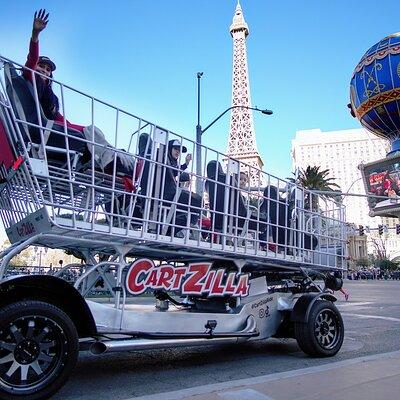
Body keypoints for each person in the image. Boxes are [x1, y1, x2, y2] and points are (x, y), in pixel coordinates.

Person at [23, 9, 85, 132]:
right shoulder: (30, 77)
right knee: (90, 133)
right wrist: (35, 34)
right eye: (41, 66)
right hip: (42, 128)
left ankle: (113, 151)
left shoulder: (51, 97)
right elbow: (33, 58)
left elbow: (61, 120)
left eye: (48, 69)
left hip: (53, 127)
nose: (44, 71)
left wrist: (79, 131)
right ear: (34, 66)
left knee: (89, 131)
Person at [163, 140, 202, 236]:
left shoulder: (170, 161)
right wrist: (185, 164)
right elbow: (173, 171)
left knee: (195, 202)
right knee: (198, 200)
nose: (178, 152)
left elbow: (174, 171)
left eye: (179, 150)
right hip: (168, 194)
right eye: (175, 149)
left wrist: (186, 163)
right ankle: (187, 225)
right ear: (169, 149)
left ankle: (182, 226)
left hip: (171, 193)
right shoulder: (165, 160)